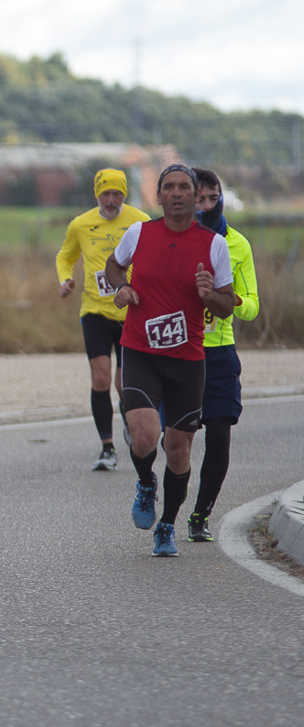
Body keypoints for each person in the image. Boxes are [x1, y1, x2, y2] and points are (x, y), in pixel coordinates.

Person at [104, 163, 235, 557]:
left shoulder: (214, 245)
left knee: (178, 450)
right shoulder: (139, 233)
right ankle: (147, 483)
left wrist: (209, 295)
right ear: (159, 196)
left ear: (196, 197)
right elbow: (113, 265)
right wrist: (122, 287)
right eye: (169, 187)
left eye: (184, 187)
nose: (177, 193)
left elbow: (227, 305)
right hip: (140, 351)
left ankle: (167, 525)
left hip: (187, 360)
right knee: (144, 435)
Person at [56, 168, 150, 471]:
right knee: (100, 378)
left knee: (124, 383)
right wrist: (65, 279)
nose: (111, 200)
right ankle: (107, 448)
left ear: (125, 194)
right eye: (105, 194)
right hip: (94, 311)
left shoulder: (140, 221)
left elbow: (155, 257)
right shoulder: (81, 224)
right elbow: (65, 256)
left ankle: (128, 414)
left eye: (117, 194)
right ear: (96, 195)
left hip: (131, 312)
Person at [185, 168, 260, 542]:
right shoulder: (173, 239)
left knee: (219, 434)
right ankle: (165, 497)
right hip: (180, 353)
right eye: (199, 199)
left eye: (213, 198)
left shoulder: (238, 245)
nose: (206, 205)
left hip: (218, 354)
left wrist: (231, 300)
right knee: (175, 440)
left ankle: (200, 515)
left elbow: (253, 307)